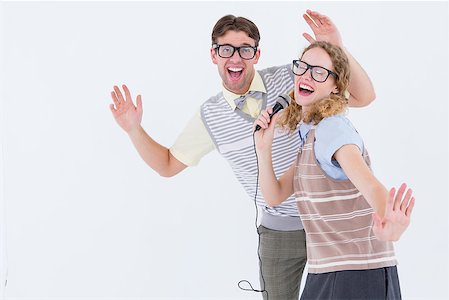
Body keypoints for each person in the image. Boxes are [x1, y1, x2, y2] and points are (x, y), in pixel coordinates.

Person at [109, 10, 376, 299]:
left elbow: (364, 97)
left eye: (245, 49)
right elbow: (168, 165)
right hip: (279, 231)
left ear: (257, 54)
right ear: (214, 56)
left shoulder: (293, 77)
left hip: (328, 220)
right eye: (226, 50)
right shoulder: (210, 116)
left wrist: (338, 48)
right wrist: (134, 130)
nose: (235, 58)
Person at [254, 40, 415, 299]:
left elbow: (371, 186)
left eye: (319, 72)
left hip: (356, 276)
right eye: (303, 67)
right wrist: (263, 149)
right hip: (328, 272)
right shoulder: (311, 138)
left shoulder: (332, 129)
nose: (307, 75)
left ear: (336, 86)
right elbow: (274, 196)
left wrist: (391, 222)